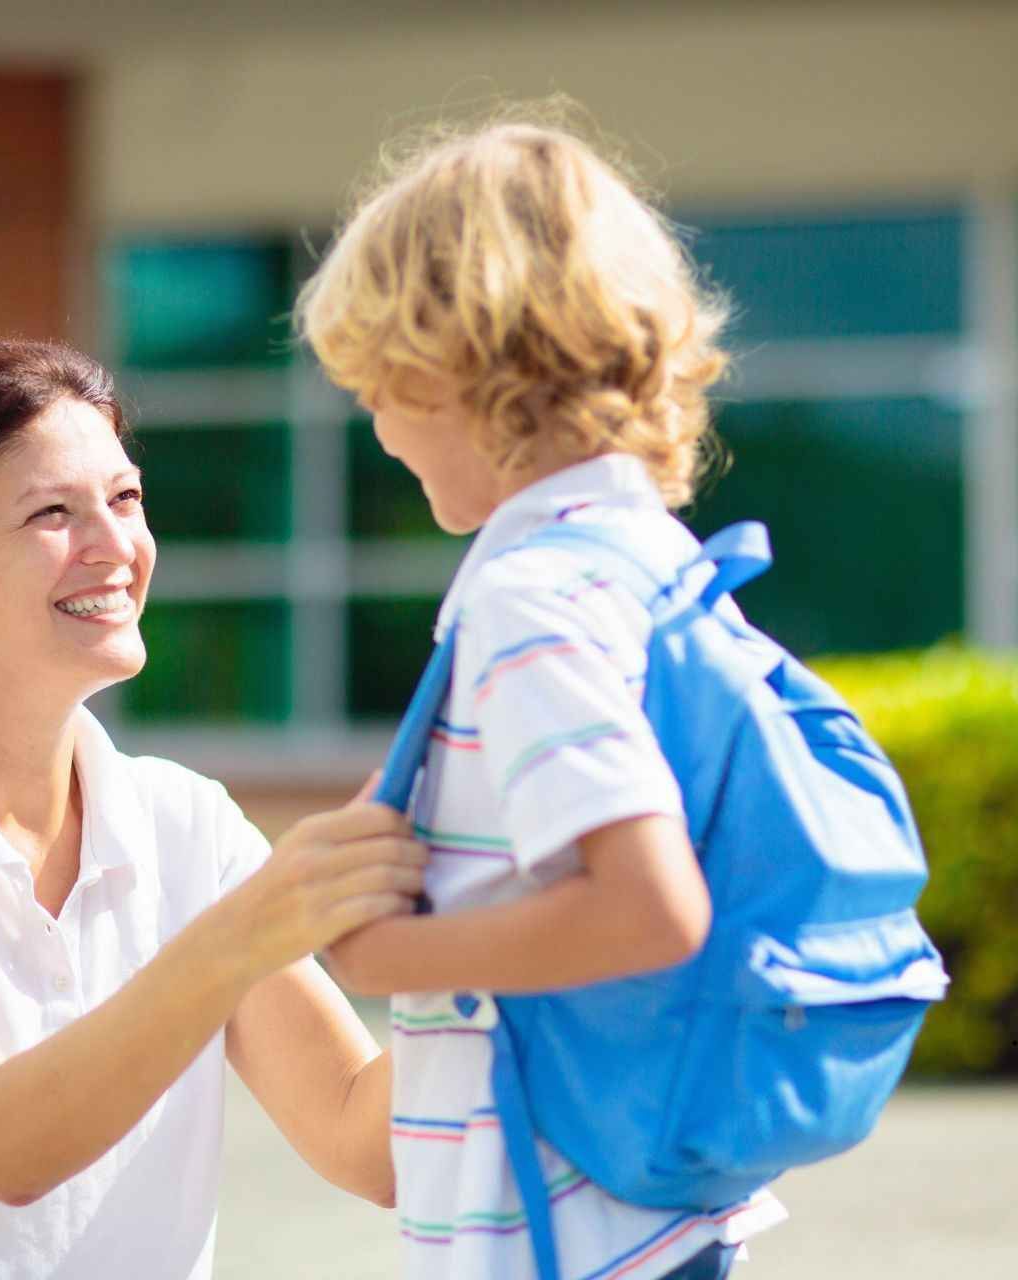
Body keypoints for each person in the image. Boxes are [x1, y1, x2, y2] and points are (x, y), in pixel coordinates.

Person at [0, 339, 428, 1278]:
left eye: (126, 498)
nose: (116, 546)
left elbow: (362, 1135)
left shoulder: (190, 824)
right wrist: (247, 931)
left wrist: (501, 937)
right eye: (54, 512)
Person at [294, 115, 789, 1279]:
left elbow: (651, 908)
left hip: (563, 1233)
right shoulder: (657, 560)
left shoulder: (529, 601)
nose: (375, 426)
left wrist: (380, 959)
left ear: (460, 369)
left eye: (380, 383)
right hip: (662, 1209)